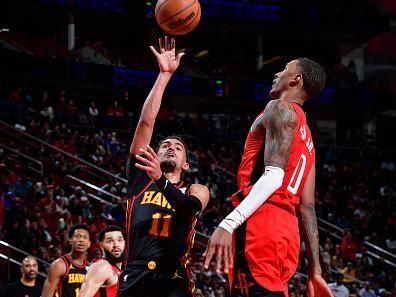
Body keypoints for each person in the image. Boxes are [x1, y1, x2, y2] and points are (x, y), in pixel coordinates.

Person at [204, 58, 333, 297]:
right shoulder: (309, 141)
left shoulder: (279, 108)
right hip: (287, 236)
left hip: (261, 225)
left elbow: (273, 177)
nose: (277, 73)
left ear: (296, 79)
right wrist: (315, 270)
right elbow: (307, 208)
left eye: (284, 69)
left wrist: (228, 224)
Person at [117, 36, 210, 297]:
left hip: (174, 275)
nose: (170, 147)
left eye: (178, 148)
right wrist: (164, 76)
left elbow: (189, 209)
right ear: (153, 155)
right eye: (164, 145)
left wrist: (160, 179)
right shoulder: (140, 176)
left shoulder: (196, 188)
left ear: (187, 164)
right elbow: (147, 122)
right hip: (135, 272)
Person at [41, 224, 91, 297]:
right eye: (77, 236)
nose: (81, 240)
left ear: (89, 243)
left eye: (85, 237)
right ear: (70, 240)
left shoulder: (90, 268)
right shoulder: (58, 265)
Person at [79, 225, 126, 297]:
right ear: (101, 246)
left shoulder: (121, 270)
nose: (116, 244)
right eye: (110, 241)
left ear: (124, 243)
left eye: (119, 240)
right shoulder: (102, 266)